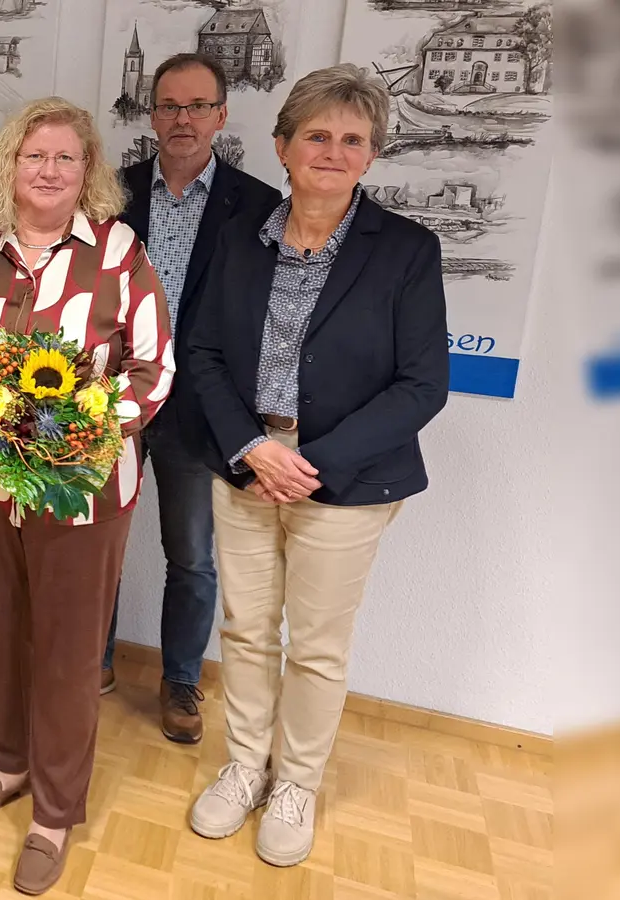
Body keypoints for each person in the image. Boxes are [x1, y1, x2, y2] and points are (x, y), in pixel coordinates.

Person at [183, 63, 448, 867]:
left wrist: (312, 464)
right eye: (317, 136)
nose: (332, 151)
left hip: (348, 479)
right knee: (247, 632)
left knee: (318, 648)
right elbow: (200, 352)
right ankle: (244, 766)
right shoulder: (238, 237)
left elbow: (422, 385)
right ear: (283, 146)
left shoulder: (405, 249)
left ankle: (296, 782)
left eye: (352, 140)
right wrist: (253, 448)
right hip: (246, 461)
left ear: (371, 155)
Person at [0, 97, 174, 896]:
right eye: (36, 157)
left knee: (66, 649)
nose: (51, 171)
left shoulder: (121, 254)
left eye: (67, 158)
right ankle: (9, 764)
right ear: (9, 168)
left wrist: (77, 436)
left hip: (81, 492)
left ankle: (55, 811)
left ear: (88, 172)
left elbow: (152, 367)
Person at [101, 53, 282, 744]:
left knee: (192, 555)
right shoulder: (110, 194)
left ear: (221, 116)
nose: (183, 119)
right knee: (98, 540)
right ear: (152, 116)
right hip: (111, 395)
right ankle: (93, 663)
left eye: (197, 106)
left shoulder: (258, 205)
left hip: (198, 403)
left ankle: (180, 682)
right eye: (170, 106)